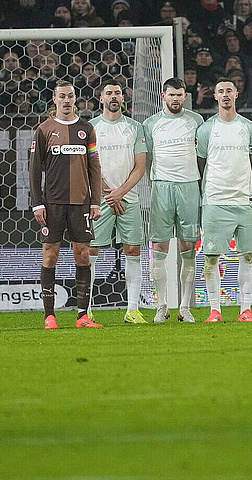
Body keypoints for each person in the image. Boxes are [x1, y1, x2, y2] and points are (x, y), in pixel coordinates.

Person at [29, 80, 103, 329]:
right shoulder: (45, 129)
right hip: (52, 203)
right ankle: (49, 315)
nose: (67, 100)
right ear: (55, 99)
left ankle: (82, 315)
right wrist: (37, 204)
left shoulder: (87, 129)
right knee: (50, 255)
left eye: (70, 96)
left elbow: (94, 167)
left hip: (81, 203)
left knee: (82, 255)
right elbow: (33, 170)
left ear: (75, 98)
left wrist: (96, 201)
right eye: (62, 96)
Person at [196, 79, 252, 322]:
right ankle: (215, 310)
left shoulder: (249, 127)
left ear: (236, 94)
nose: (225, 95)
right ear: (215, 96)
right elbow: (201, 162)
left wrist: (249, 188)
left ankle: (246, 310)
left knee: (246, 254)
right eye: (221, 91)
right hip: (215, 201)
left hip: (243, 201)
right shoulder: (205, 130)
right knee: (212, 257)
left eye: (229, 91)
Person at [143, 78, 204, 323]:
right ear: (163, 96)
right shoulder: (151, 124)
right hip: (161, 188)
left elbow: (202, 154)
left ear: (185, 96)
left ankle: (185, 307)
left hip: (189, 186)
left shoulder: (196, 121)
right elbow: (146, 159)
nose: (176, 99)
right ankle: (161, 306)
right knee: (159, 246)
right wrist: (155, 182)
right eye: (171, 95)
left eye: (179, 95)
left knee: (188, 246)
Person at [89, 81, 149, 324]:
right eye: (109, 93)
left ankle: (132, 309)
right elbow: (89, 165)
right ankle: (87, 309)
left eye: (117, 93)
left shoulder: (135, 127)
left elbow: (141, 165)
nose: (114, 96)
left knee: (133, 250)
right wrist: (108, 193)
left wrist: (120, 193)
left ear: (123, 98)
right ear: (100, 98)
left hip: (129, 198)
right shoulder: (91, 127)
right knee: (91, 251)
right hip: (99, 199)